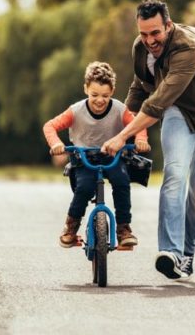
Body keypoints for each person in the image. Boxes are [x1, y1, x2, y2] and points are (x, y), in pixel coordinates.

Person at [101, 0, 195, 280]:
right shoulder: (141, 48)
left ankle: (187, 254)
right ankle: (171, 253)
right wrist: (117, 125)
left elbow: (157, 103)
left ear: (168, 25)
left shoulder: (189, 48)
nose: (150, 40)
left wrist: (122, 137)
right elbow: (140, 87)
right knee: (175, 173)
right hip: (179, 112)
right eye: (144, 33)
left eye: (155, 33)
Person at [43, 61, 150, 249]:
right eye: (94, 95)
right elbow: (50, 126)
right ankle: (71, 227)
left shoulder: (119, 109)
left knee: (122, 182)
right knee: (84, 187)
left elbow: (137, 124)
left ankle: (124, 228)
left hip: (112, 156)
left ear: (113, 91)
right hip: (84, 159)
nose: (100, 100)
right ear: (86, 89)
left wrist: (141, 139)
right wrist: (57, 144)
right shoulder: (76, 111)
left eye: (105, 95)